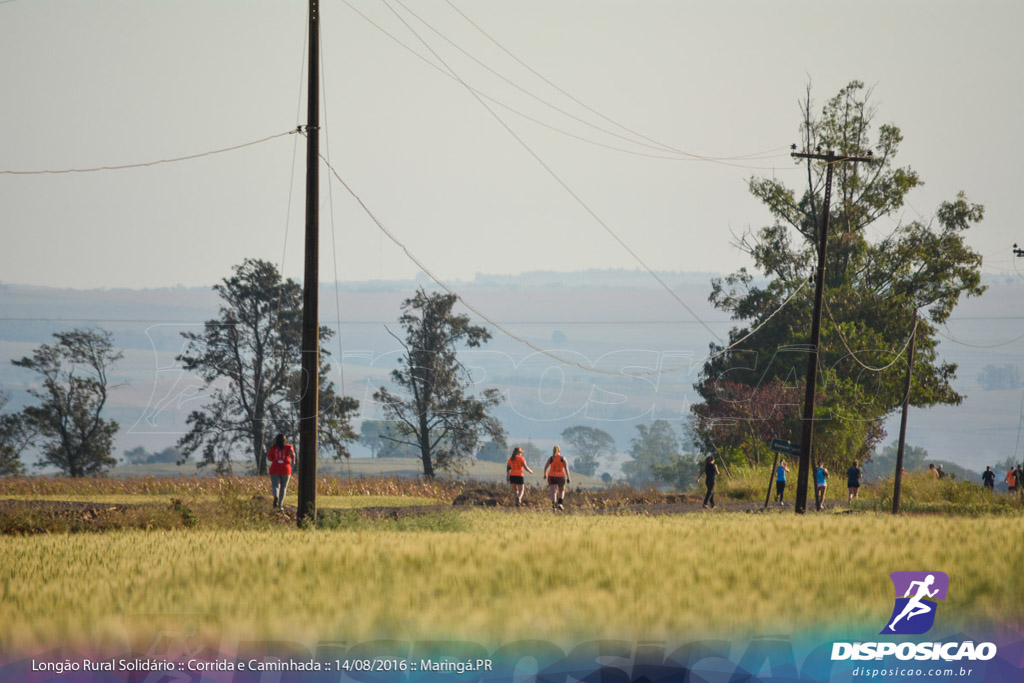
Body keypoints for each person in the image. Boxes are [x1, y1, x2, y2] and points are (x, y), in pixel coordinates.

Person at [267, 433, 296, 508]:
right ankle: (280, 504)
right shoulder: (289, 447)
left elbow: (269, 458)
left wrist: (275, 459)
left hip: (274, 468)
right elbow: (292, 454)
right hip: (285, 469)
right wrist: (293, 461)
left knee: (275, 485)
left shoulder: (273, 448)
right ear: (284, 440)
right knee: (283, 487)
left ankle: (275, 496)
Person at [542, 446, 571, 510]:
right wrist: (568, 477)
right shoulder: (563, 458)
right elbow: (566, 468)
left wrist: (545, 474)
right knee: (561, 490)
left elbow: (545, 467)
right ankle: (560, 503)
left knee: (553, 492)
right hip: (560, 477)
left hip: (551, 476)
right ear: (559, 451)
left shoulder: (551, 458)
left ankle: (554, 507)